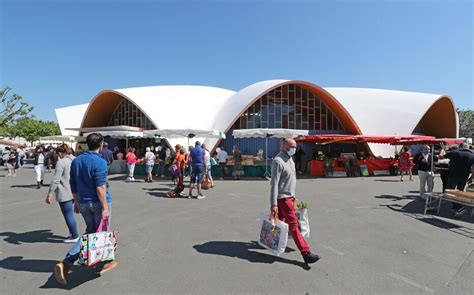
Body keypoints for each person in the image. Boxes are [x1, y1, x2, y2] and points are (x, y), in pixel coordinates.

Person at [53, 133, 116, 285]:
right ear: (101, 144)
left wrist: (76, 201)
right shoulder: (99, 161)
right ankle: (73, 262)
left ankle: (74, 263)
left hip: (82, 201)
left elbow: (73, 183)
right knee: (99, 233)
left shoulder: (77, 160)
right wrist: (105, 208)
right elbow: (100, 187)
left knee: (91, 232)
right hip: (98, 203)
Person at [269, 138, 320, 264]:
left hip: (289, 197)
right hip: (282, 199)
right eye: (293, 146)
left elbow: (290, 180)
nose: (295, 149)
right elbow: (274, 184)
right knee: (293, 225)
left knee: (277, 221)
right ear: (285, 146)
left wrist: (293, 195)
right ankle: (305, 252)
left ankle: (271, 240)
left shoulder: (290, 159)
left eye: (296, 146)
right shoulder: (278, 161)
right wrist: (273, 204)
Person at [45, 144, 79, 243]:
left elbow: (56, 179)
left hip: (65, 190)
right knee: (71, 214)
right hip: (76, 190)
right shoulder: (76, 160)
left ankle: (74, 235)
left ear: (60, 153)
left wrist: (50, 193)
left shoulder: (62, 162)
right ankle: (72, 233)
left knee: (68, 214)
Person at [445, 142, 474, 218]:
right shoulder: (472, 155)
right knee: (459, 192)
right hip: (464, 177)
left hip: (453, 175)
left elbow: (444, 156)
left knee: (450, 192)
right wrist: (471, 177)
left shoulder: (455, 152)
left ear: (460, 147)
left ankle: (459, 208)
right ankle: (455, 209)